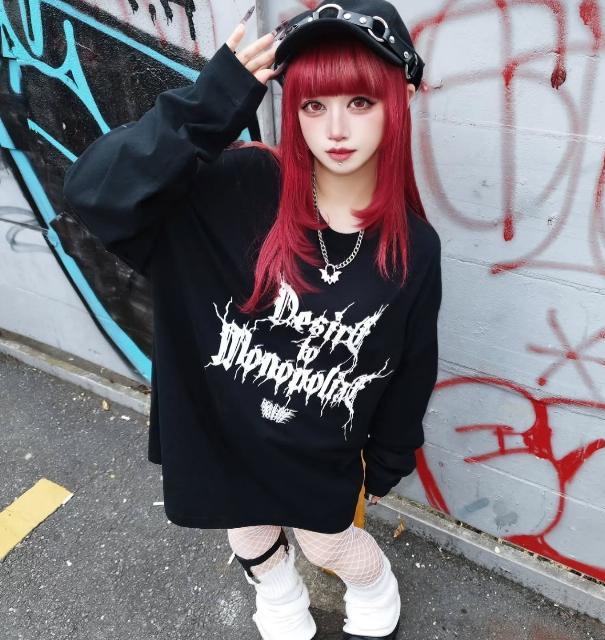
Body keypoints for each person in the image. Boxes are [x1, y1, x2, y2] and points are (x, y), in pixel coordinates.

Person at [61, 1, 441, 638]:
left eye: (360, 102)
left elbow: (410, 362)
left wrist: (389, 457)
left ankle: (374, 584)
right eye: (313, 105)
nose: (336, 129)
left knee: (328, 542)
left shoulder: (413, 249)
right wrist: (210, 102)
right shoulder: (239, 185)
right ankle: (279, 594)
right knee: (247, 530)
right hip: (222, 436)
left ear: (399, 98)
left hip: (319, 452)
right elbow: (96, 191)